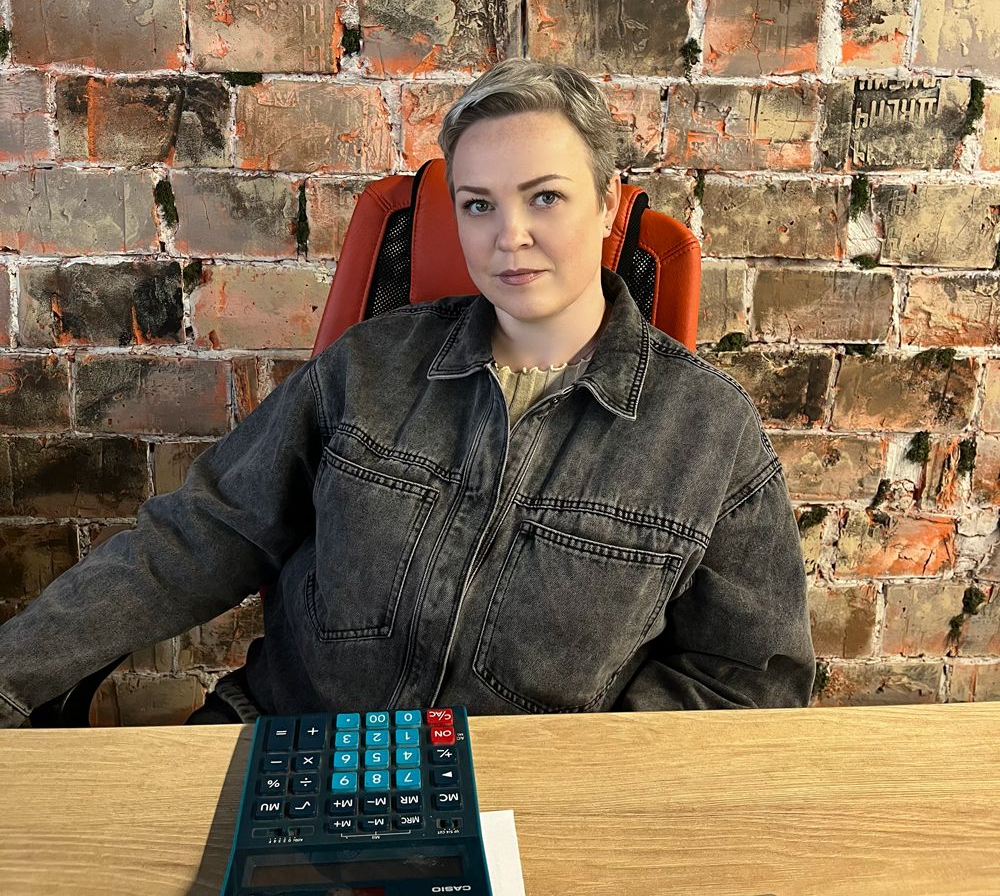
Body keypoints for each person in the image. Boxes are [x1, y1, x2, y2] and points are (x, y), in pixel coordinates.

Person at [0, 59, 815, 729]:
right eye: (478, 204)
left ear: (607, 202)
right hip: (289, 741)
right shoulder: (370, 365)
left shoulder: (710, 432)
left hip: (520, 800)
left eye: (545, 196)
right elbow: (198, 534)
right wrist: (12, 676)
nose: (510, 236)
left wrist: (576, 771)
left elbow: (751, 678)